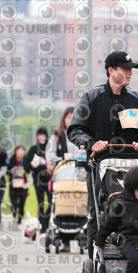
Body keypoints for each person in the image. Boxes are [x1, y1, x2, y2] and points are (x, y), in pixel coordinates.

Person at [68, 50, 138, 273]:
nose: (130, 73)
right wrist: (91, 143)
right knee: (99, 215)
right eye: (125, 69)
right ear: (111, 70)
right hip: (100, 167)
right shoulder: (91, 98)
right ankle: (97, 267)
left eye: (132, 69)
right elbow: (74, 129)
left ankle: (132, 270)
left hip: (134, 169)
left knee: (136, 213)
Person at [46, 107, 82, 252]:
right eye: (68, 117)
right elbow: (49, 155)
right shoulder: (56, 136)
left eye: (73, 116)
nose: (70, 119)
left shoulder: (82, 135)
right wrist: (64, 158)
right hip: (62, 177)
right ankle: (64, 240)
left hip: (79, 177)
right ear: (64, 119)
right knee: (62, 205)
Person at [24, 127, 54, 235]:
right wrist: (33, 168)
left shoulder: (50, 148)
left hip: (50, 180)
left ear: (46, 136)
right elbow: (26, 163)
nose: (42, 137)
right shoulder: (33, 149)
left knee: (51, 202)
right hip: (38, 180)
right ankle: (42, 227)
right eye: (40, 135)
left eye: (44, 135)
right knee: (41, 202)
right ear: (37, 136)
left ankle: (45, 222)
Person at [7, 145, 30, 235]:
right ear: (16, 151)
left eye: (22, 150)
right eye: (18, 150)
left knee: (22, 205)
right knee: (14, 204)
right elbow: (7, 171)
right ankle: (13, 217)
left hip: (23, 186)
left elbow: (29, 170)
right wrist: (11, 171)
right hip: (13, 185)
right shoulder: (11, 160)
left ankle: (20, 221)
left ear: (24, 152)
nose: (20, 152)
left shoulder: (26, 160)